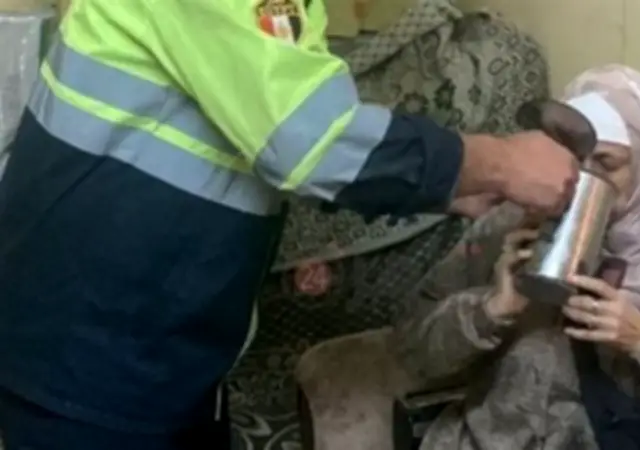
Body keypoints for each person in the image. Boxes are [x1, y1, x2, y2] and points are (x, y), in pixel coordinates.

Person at [0, 1, 580, 449]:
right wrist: (503, 162)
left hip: (170, 342)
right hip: (88, 345)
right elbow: (310, 141)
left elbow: (259, 133)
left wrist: (452, 187)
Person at [391, 65, 640, 449]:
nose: (579, 179)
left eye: (605, 163)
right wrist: (490, 309)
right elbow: (411, 348)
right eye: (569, 159)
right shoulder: (516, 221)